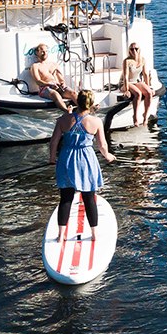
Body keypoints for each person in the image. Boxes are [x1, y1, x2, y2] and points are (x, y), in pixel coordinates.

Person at [49, 90, 116, 240]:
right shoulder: (96, 121)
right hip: (86, 159)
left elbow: (53, 142)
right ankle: (94, 234)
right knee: (89, 197)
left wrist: (52, 158)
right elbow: (102, 146)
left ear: (76, 102)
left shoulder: (63, 120)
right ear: (91, 104)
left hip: (67, 158)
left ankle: (61, 235)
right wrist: (109, 156)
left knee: (66, 198)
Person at [119, 42, 161, 128]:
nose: (134, 51)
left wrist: (148, 86)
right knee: (138, 93)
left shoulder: (142, 60)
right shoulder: (127, 61)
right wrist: (126, 90)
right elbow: (126, 76)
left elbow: (145, 74)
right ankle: (135, 116)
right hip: (126, 82)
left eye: (136, 49)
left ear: (139, 50)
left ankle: (145, 115)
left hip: (137, 81)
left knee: (149, 93)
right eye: (131, 49)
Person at [30, 43, 76, 111]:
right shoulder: (35, 66)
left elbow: (60, 78)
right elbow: (38, 81)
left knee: (73, 93)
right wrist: (49, 84)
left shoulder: (53, 64)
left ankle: (86, 109)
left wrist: (62, 84)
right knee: (55, 94)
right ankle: (67, 111)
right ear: (37, 52)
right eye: (42, 51)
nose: (44, 53)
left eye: (46, 51)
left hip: (57, 86)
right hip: (45, 88)